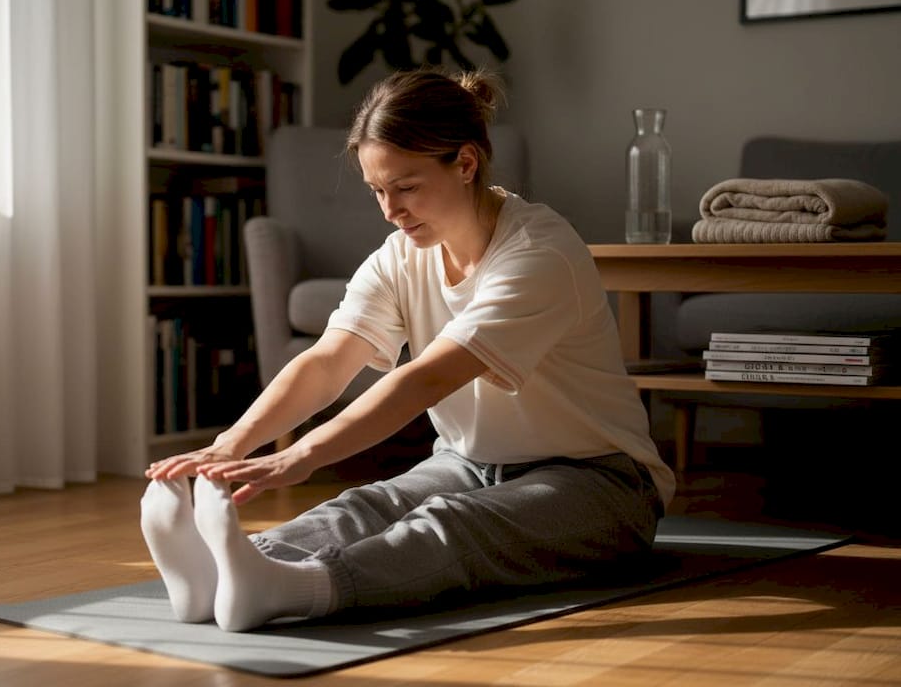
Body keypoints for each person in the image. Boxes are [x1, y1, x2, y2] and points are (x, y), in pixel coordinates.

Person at [140, 68, 674, 633]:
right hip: (468, 462)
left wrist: (299, 456)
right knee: (365, 507)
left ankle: (295, 587)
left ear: (466, 164)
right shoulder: (399, 256)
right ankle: (224, 573)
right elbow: (327, 362)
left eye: (406, 187)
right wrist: (230, 446)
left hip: (602, 483)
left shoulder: (540, 254)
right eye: (377, 190)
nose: (390, 209)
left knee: (452, 525)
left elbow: (422, 379)